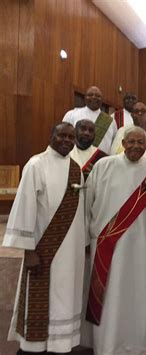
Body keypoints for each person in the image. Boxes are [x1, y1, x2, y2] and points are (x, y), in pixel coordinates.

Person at [3, 122, 86, 354]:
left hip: (69, 254)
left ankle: (59, 346)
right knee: (40, 306)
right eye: (62, 135)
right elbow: (24, 207)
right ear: (51, 136)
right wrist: (28, 251)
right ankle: (33, 347)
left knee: (64, 302)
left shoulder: (75, 168)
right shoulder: (36, 164)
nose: (67, 140)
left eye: (71, 136)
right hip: (43, 252)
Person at [85, 126, 146, 355]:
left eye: (140, 143)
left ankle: (141, 344)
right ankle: (107, 345)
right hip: (106, 246)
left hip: (142, 247)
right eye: (131, 142)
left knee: (141, 296)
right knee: (109, 296)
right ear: (122, 142)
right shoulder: (103, 166)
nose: (135, 147)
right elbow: (86, 205)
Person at [63, 86, 116, 154]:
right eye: (90, 95)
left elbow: (113, 143)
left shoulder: (111, 121)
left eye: (97, 96)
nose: (94, 97)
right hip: (76, 159)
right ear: (85, 98)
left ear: (102, 99)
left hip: (101, 160)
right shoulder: (72, 114)